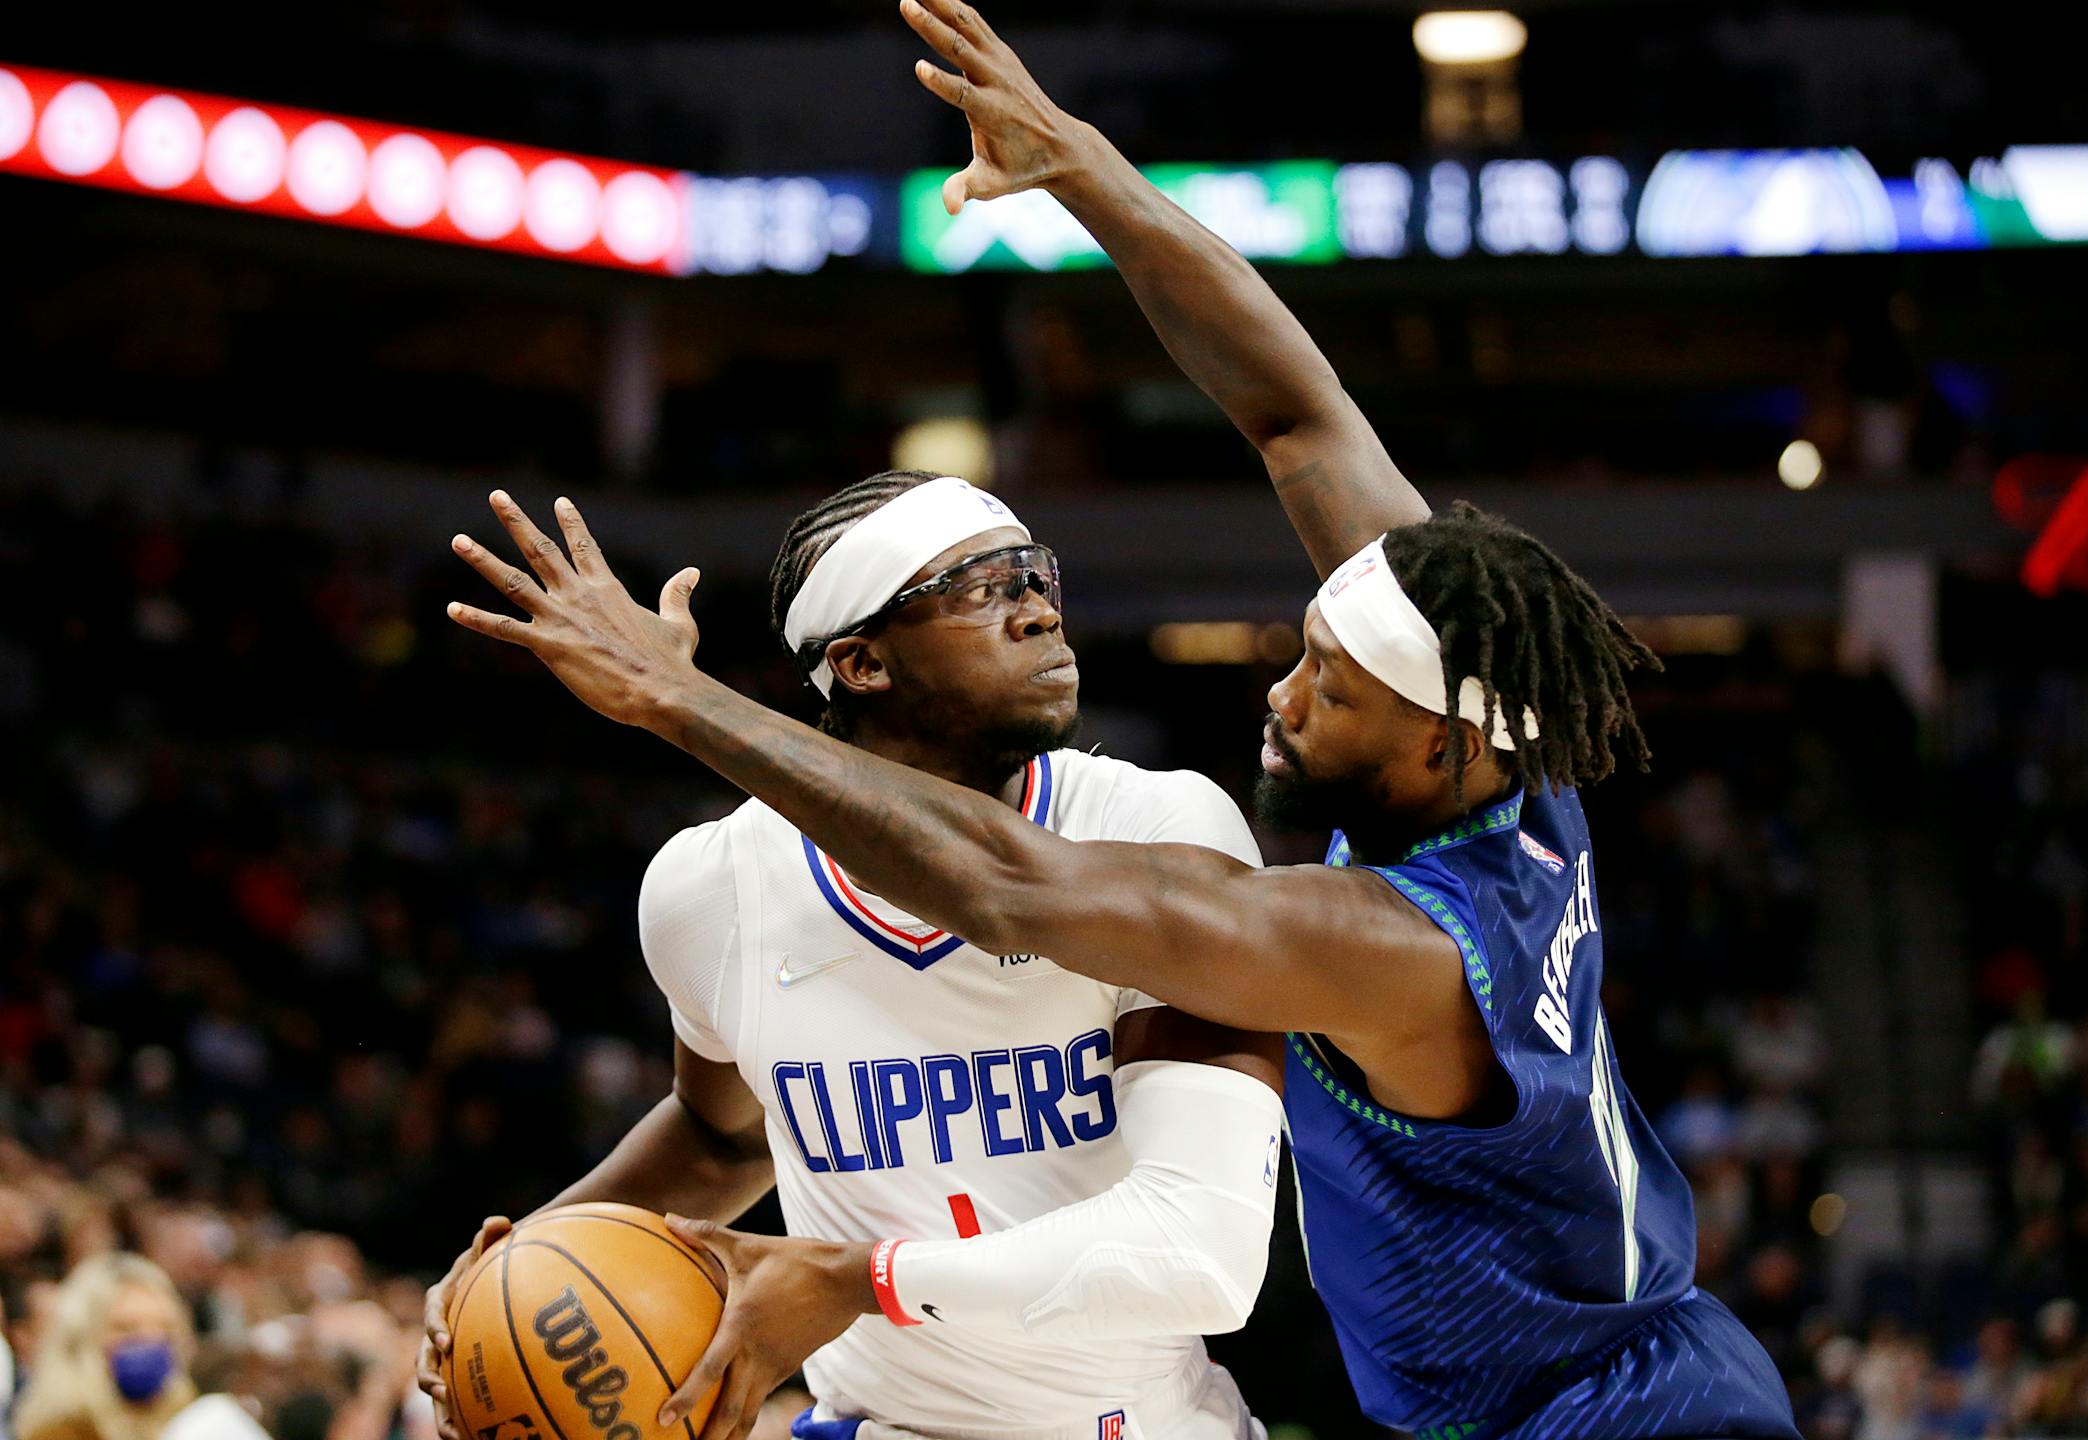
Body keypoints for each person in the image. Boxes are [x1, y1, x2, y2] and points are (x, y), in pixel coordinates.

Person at [443, 3, 1809, 1436]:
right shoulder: (1484, 721)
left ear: (1439, 750)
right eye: (1304, 649)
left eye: (1327, 688)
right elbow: (1295, 415)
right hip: (1616, 1354)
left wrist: (678, 698)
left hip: (1586, 1416)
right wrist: (1088, 171)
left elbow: (1002, 883)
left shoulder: (1388, 946)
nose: (1279, 696)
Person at [417, 471, 1287, 1440]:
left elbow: (1199, 1257)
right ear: (864, 664)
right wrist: (522, 1259)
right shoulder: (713, 890)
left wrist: (858, 1282)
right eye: (984, 587)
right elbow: (724, 1138)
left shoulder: (1157, 830)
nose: (1040, 611)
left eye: (1037, 576)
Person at [13, 1255, 197, 1440]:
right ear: (83, 1340)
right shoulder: (58, 1433)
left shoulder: (192, 1422)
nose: (150, 1339)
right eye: (126, 1328)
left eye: (164, 1327)